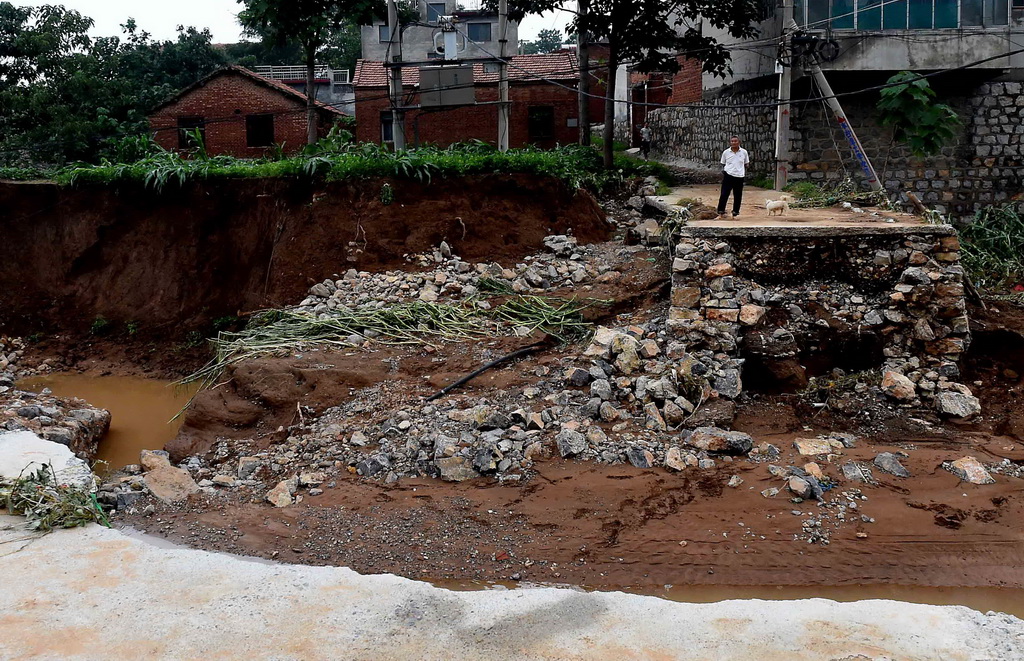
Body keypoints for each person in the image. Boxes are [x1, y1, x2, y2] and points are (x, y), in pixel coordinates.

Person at [717, 135, 750, 218]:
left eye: (735, 141)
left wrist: (742, 169)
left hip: (739, 176)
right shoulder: (726, 152)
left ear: (739, 142)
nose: (734, 143)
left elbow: (746, 163)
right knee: (724, 194)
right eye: (732, 141)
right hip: (728, 175)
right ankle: (721, 211)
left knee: (738, 195)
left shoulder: (744, 152)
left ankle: (735, 212)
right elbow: (723, 163)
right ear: (730, 142)